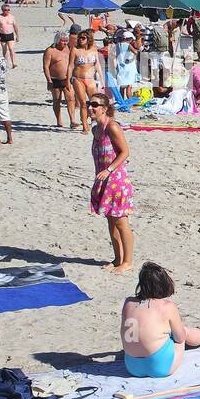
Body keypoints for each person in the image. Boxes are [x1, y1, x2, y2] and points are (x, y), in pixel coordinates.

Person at [120, 262, 200, 378]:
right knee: (183, 332)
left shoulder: (128, 302)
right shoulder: (167, 306)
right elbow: (180, 338)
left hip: (132, 366)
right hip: (160, 367)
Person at [87, 92, 135, 271]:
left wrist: (109, 170)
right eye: (88, 104)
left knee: (121, 221)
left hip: (117, 180)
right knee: (110, 221)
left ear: (104, 109)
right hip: (104, 181)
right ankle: (117, 258)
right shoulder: (95, 129)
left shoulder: (112, 127)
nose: (90, 108)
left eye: (94, 105)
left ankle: (127, 262)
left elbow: (125, 152)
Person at [69, 29, 103, 133]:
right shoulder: (75, 50)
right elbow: (70, 66)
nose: (80, 40)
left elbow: (97, 64)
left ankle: (95, 122)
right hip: (78, 79)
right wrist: (67, 80)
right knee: (83, 103)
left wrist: (102, 79)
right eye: (79, 38)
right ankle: (84, 125)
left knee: (95, 102)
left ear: (88, 39)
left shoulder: (94, 49)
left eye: (83, 38)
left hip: (90, 79)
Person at [42, 31, 76, 128]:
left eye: (66, 41)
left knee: (70, 99)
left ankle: (72, 120)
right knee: (57, 100)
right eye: (63, 41)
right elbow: (46, 66)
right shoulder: (50, 51)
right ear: (57, 40)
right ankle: (59, 120)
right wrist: (49, 80)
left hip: (67, 78)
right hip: (55, 79)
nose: (65, 43)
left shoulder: (68, 49)